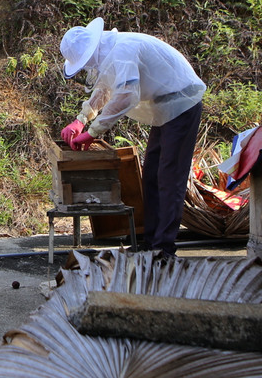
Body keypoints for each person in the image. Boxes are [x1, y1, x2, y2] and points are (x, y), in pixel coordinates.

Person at [59, 17, 205, 257]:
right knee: (151, 175)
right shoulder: (111, 52)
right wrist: (81, 119)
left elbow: (126, 95)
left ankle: (164, 248)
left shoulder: (123, 50)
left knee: (170, 177)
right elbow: (106, 88)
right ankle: (150, 240)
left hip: (182, 103)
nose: (88, 67)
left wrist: (93, 132)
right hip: (164, 106)